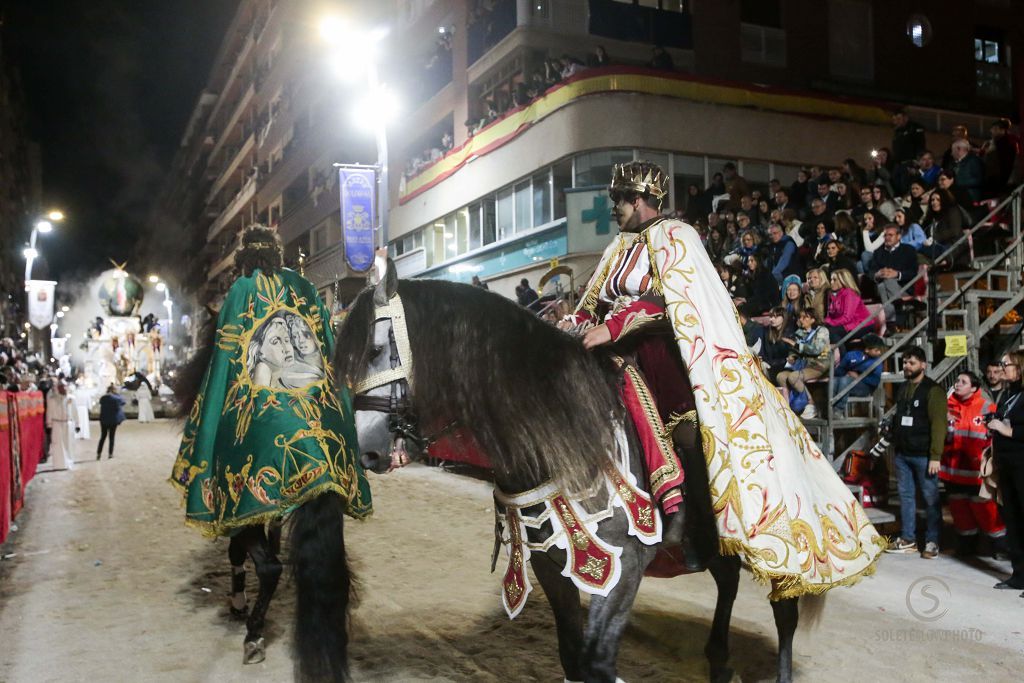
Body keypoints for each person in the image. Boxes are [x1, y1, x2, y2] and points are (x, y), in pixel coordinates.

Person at [563, 160, 883, 590]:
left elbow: (682, 301)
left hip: (665, 355)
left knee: (689, 432)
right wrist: (577, 320)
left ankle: (693, 524)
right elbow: (593, 299)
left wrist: (617, 324)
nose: (613, 210)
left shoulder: (678, 236)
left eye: (617, 202)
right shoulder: (617, 247)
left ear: (637, 200)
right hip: (618, 354)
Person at [886, 346, 946, 558]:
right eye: (904, 362)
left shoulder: (934, 391)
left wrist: (935, 456)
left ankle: (932, 541)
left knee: (930, 499)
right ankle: (908, 539)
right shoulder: (902, 388)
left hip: (924, 455)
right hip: (903, 453)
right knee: (906, 497)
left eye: (911, 363)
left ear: (923, 365)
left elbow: (939, 425)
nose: (906, 366)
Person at [941, 371, 1007, 558]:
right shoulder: (946, 408)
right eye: (957, 381)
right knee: (959, 511)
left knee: (986, 511)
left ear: (974, 388)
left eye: (963, 382)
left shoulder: (987, 408)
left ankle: (1000, 547)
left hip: (976, 473)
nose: (958, 384)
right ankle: (966, 548)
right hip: (952, 472)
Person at [987, 351, 1024, 591]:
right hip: (1008, 464)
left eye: (1006, 364)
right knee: (1012, 520)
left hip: (1022, 463)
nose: (1002, 368)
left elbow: (1013, 428)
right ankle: (1019, 575)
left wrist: (1007, 430)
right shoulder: (1009, 393)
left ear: (1020, 367)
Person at [776, 308, 831, 418]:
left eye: (805, 317)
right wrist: (792, 356)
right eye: (800, 317)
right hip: (804, 364)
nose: (801, 320)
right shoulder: (800, 332)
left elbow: (816, 349)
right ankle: (788, 407)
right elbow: (795, 350)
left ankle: (811, 404)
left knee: (793, 377)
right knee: (780, 376)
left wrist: (795, 345)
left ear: (813, 319)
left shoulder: (822, 331)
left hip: (819, 364)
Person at [868, 224, 918, 327]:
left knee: (887, 281)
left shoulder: (909, 250)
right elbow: (870, 272)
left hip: (904, 288)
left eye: (890, 235)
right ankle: (898, 315)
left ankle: (891, 322)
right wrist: (878, 274)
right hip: (885, 289)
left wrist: (897, 274)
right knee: (884, 283)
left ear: (899, 236)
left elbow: (913, 272)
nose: (887, 238)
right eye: (885, 235)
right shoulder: (878, 252)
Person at [832, 334, 886, 417]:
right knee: (833, 382)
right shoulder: (851, 355)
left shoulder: (877, 362)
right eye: (876, 350)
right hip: (846, 381)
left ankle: (838, 410)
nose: (879, 353)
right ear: (867, 349)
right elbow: (839, 371)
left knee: (844, 381)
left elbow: (875, 381)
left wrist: (858, 377)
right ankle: (829, 409)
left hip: (864, 387)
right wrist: (845, 373)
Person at [823, 268, 871, 342]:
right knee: (821, 330)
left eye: (835, 280)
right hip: (846, 324)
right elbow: (831, 315)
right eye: (831, 279)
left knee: (832, 332)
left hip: (862, 325)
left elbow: (847, 317)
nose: (831, 282)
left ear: (843, 280)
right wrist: (826, 322)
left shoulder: (850, 293)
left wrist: (830, 322)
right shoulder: (833, 295)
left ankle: (841, 353)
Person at [46, 381, 77, 470]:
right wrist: (49, 424)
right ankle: (59, 464)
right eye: (61, 387)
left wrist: (77, 424)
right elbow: (49, 412)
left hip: (68, 423)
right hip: (56, 423)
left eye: (64, 386)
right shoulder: (52, 399)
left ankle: (69, 462)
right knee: (57, 444)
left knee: (68, 443)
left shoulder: (71, 398)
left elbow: (75, 411)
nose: (63, 388)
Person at [97, 384, 125, 460]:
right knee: (111, 437)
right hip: (113, 420)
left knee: (103, 437)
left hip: (103, 420)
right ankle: (110, 454)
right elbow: (123, 402)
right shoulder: (116, 398)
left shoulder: (103, 398)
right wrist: (117, 394)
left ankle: (99, 453)